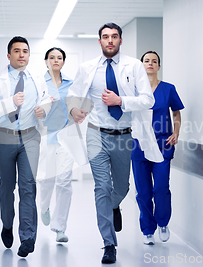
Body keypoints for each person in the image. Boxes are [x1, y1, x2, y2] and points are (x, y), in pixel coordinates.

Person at [66, 23, 163, 264]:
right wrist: (74, 110)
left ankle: (114, 206)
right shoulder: (87, 68)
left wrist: (121, 100)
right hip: (96, 133)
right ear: (99, 41)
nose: (110, 40)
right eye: (105, 37)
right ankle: (109, 244)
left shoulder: (135, 66)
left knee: (121, 187)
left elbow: (147, 100)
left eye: (114, 36)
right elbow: (73, 97)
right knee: (101, 187)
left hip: (124, 135)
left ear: (121, 40)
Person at [0, 36, 51, 258]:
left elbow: (46, 101)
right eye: (17, 51)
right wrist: (10, 103)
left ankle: (28, 237)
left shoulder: (37, 79)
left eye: (25, 51)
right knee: (7, 186)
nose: (22, 55)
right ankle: (7, 223)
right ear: (8, 55)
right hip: (4, 136)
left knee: (28, 186)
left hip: (30, 136)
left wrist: (44, 110)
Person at [132, 51, 184, 245]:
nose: (150, 64)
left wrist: (176, 132)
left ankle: (162, 222)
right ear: (141, 65)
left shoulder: (168, 89)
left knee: (161, 188)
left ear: (159, 66)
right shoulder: (135, 90)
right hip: (139, 145)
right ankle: (147, 229)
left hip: (163, 144)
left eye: (154, 61)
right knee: (143, 191)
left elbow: (176, 114)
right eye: (146, 61)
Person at [37, 47, 74, 243]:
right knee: (46, 180)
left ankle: (60, 227)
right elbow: (32, 109)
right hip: (47, 138)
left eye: (59, 58)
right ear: (46, 61)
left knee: (65, 181)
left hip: (67, 139)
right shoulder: (39, 84)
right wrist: (42, 107)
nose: (55, 60)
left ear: (63, 62)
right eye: (52, 57)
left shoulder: (71, 84)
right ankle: (44, 207)